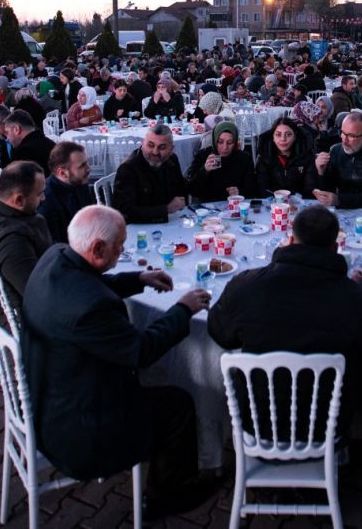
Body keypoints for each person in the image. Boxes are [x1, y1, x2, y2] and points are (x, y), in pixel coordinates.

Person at [22, 205, 217, 518]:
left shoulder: (56, 256)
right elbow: (141, 351)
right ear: (97, 247)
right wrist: (182, 309)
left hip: (47, 396)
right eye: (119, 246)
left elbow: (92, 283)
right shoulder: (90, 308)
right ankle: (165, 496)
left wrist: (138, 278)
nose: (123, 250)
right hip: (80, 432)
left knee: (161, 394)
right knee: (178, 403)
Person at [208, 204, 362, 436]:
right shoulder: (356, 299)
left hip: (258, 421)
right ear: (336, 248)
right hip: (327, 425)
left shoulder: (247, 286)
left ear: (290, 240)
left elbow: (221, 334)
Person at [0, 161, 51, 299]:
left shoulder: (0, 211)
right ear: (18, 199)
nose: (44, 198)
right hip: (41, 310)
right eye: (39, 194)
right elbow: (38, 294)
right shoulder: (10, 241)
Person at [111, 124, 187, 222]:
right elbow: (124, 211)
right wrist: (166, 209)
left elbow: (181, 190)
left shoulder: (172, 160)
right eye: (150, 145)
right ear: (143, 144)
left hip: (171, 222)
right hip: (139, 229)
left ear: (171, 149)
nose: (155, 152)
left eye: (162, 147)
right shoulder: (128, 168)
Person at [306, 112, 362, 208]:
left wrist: (339, 200)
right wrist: (321, 172)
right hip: (343, 210)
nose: (344, 139)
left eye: (351, 136)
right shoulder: (336, 150)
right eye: (342, 133)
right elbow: (329, 190)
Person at [186, 120, 258, 201]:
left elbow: (253, 189)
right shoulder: (203, 155)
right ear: (214, 140)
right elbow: (191, 189)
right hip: (208, 207)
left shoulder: (244, 158)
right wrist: (204, 170)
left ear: (235, 143)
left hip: (235, 205)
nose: (225, 147)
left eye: (230, 142)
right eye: (220, 142)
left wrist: (240, 192)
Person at [39, 141, 96, 244]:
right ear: (62, 173)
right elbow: (55, 244)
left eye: (87, 163)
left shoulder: (79, 183)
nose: (89, 169)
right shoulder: (46, 198)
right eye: (82, 166)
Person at [255, 116, 312, 195]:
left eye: (288, 135)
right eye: (278, 135)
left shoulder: (305, 156)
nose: (283, 139)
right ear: (273, 138)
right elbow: (262, 189)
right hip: (272, 203)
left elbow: (309, 188)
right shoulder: (264, 157)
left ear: (295, 136)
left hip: (299, 204)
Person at [3, 110, 56, 175]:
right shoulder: (52, 144)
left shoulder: (22, 152)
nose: (7, 139)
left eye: (7, 132)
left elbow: (15, 182)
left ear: (16, 129)